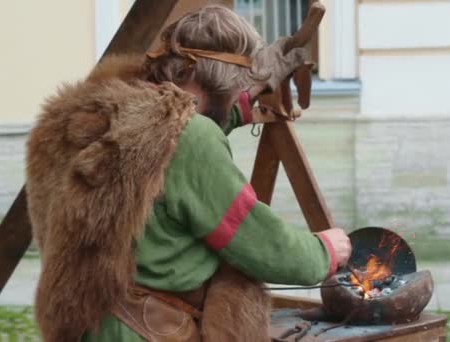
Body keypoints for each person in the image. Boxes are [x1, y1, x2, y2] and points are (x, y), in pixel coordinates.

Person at [25, 5, 351, 342]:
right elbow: (259, 242)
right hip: (152, 329)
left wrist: (245, 98)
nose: (238, 93)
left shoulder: (107, 115)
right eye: (235, 86)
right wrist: (324, 252)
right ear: (215, 78)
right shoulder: (190, 137)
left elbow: (188, 124)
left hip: (94, 323)